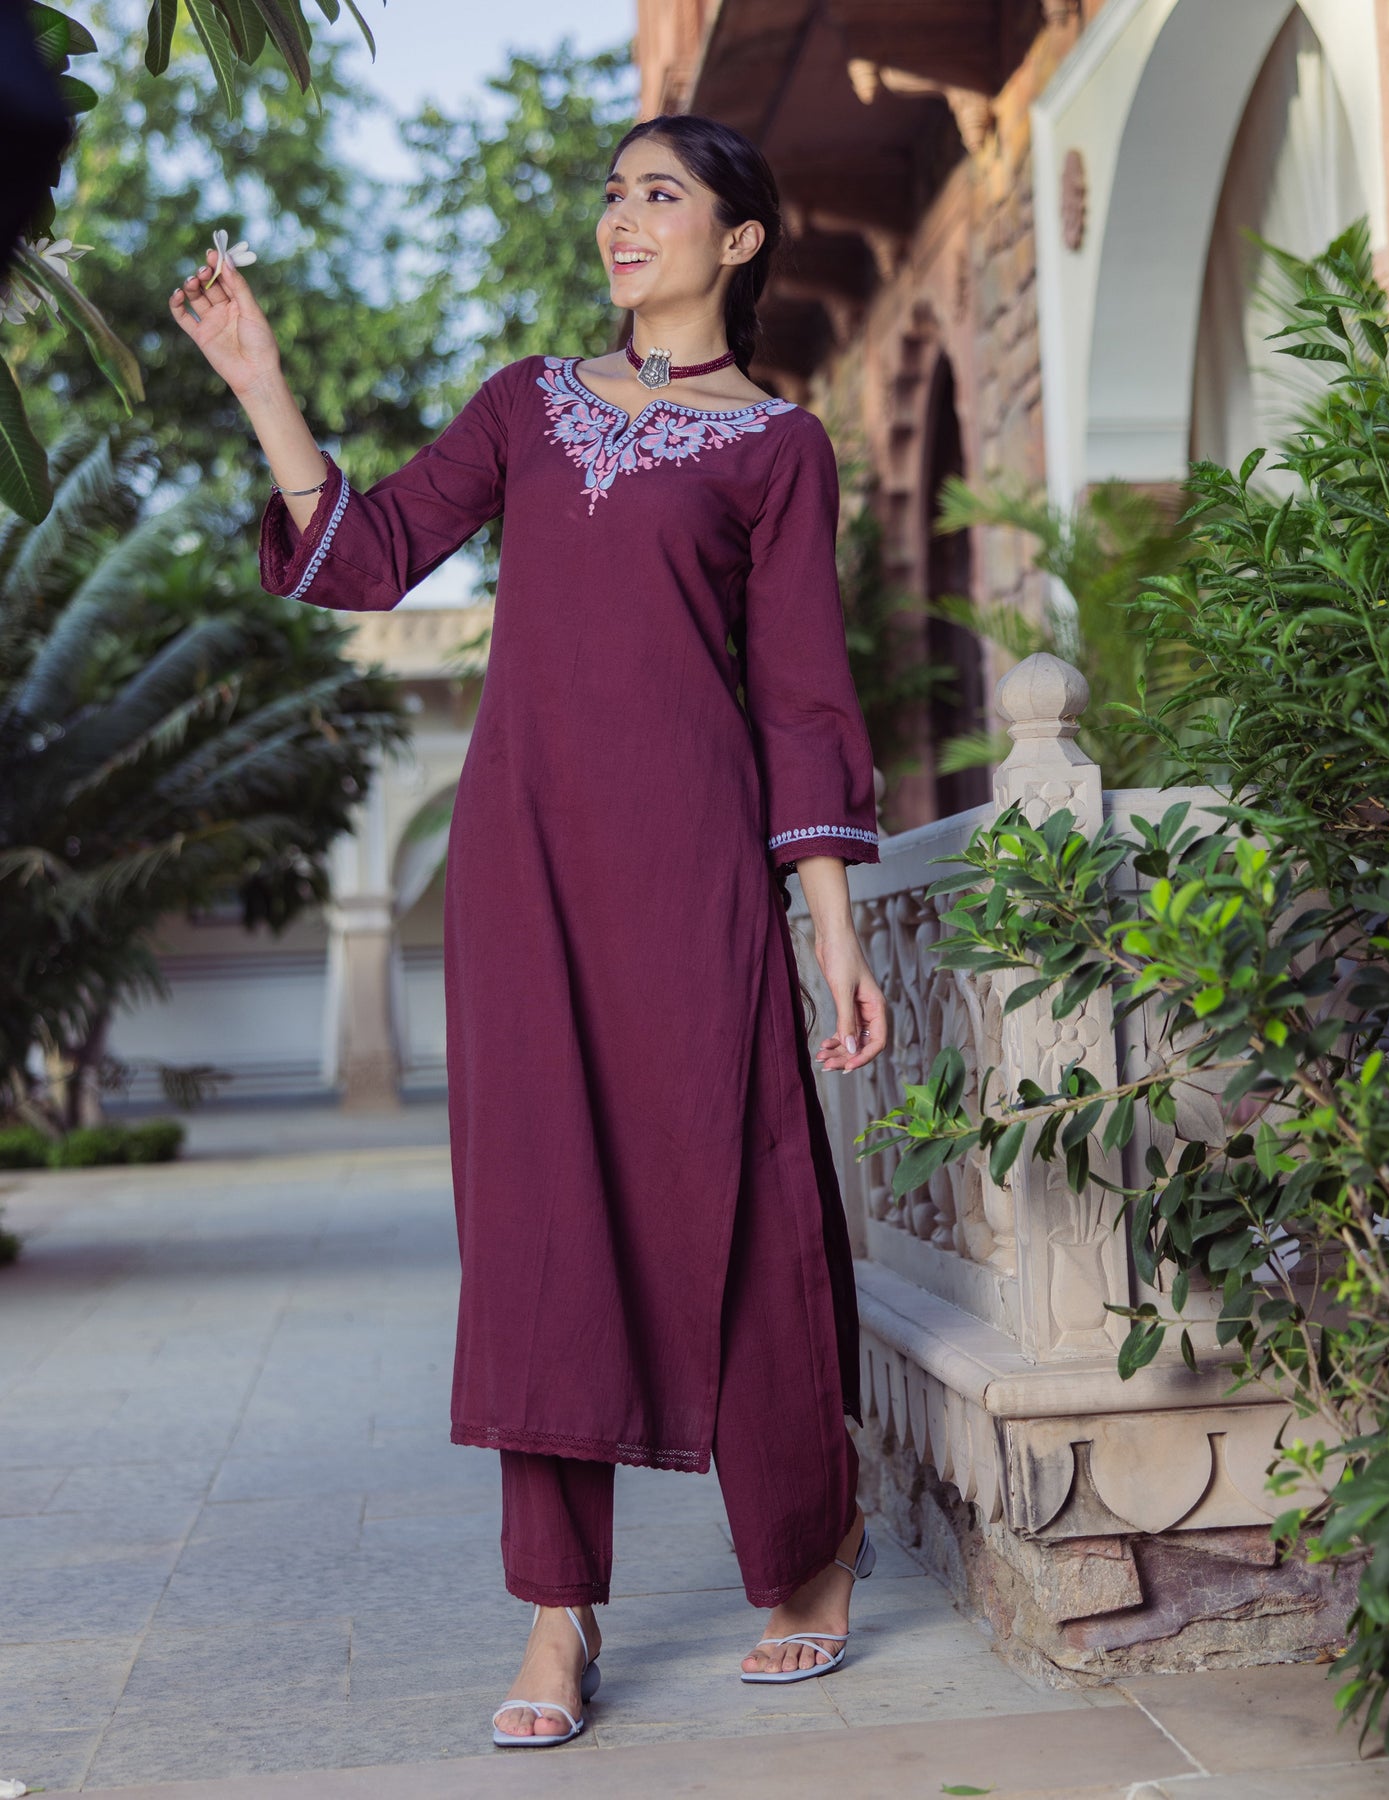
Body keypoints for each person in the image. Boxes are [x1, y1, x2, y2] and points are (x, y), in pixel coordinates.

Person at [170, 111, 889, 1748]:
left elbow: (799, 700)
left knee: (750, 1183)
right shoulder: (525, 404)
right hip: (525, 868)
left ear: (737, 240)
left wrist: (831, 929)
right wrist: (261, 384)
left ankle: (808, 1545)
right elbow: (367, 558)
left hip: (695, 870)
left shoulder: (777, 447)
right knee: (539, 1222)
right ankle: (556, 1611)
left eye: (660, 196)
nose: (621, 220)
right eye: (612, 194)